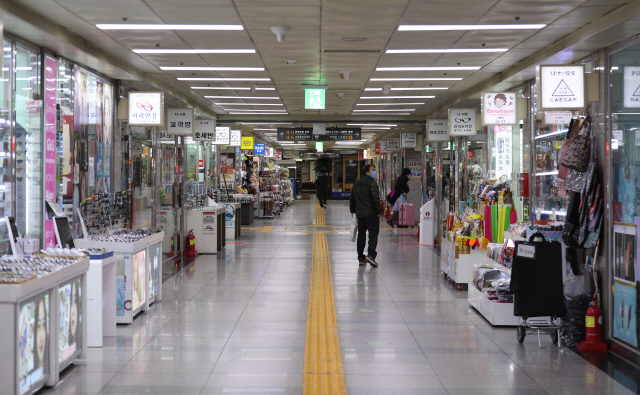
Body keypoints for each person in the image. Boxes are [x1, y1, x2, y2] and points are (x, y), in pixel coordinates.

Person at [350, 164, 381, 267]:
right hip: (371, 214)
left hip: (360, 215)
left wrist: (353, 211)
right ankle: (371, 256)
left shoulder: (356, 184)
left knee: (361, 235)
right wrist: (378, 211)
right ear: (367, 172)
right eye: (373, 170)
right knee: (373, 235)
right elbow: (375, 199)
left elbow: (352, 199)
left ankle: (361, 258)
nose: (374, 172)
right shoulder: (372, 183)